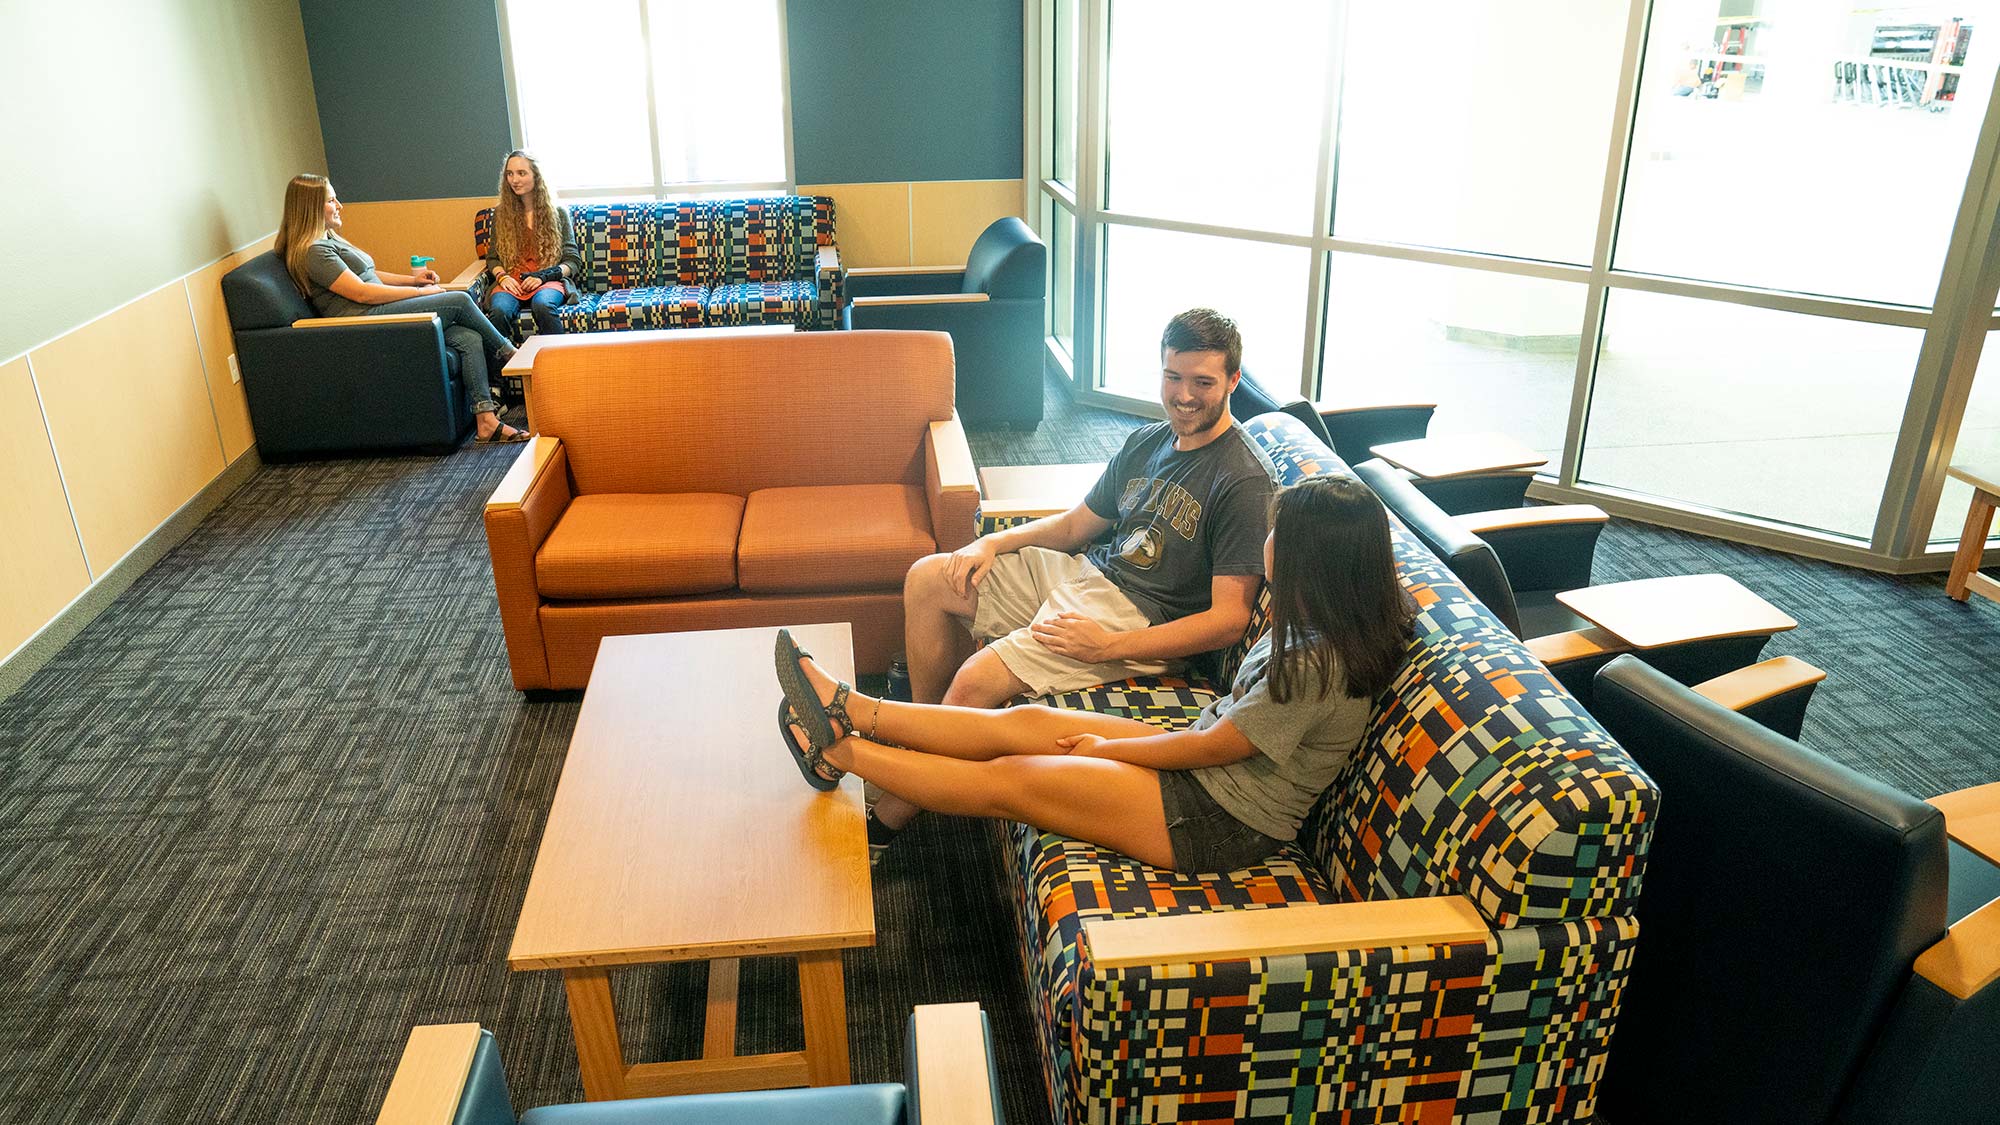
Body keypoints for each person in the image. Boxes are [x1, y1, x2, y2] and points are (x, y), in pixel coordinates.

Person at [774, 475, 1414, 873]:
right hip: (1208, 764)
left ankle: (840, 747)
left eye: (1276, 536)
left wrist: (1109, 748)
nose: (1264, 544)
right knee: (1025, 722)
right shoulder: (1329, 620)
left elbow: (1215, 747)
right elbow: (1216, 737)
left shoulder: (1312, 664)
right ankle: (848, 707)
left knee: (1012, 780)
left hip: (1218, 817)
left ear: (1311, 561)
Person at [874, 307, 1276, 853]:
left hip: (1134, 615)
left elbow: (1228, 620)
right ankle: (928, 753)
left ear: (1233, 380)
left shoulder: (1244, 480)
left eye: (1202, 382)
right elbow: (1072, 526)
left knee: (976, 679)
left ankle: (898, 805)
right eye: (1172, 377)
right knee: (930, 578)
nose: (1184, 395)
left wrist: (1112, 645)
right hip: (1088, 571)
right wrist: (991, 542)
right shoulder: (1148, 442)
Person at [275, 172, 527, 444]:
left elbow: (369, 274)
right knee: (459, 300)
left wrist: (412, 279)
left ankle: (486, 421)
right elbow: (362, 293)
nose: (339, 206)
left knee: (468, 337)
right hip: (365, 322)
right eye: (331, 200)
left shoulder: (329, 240)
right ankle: (509, 354)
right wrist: (419, 292)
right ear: (311, 208)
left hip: (377, 312)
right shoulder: (314, 252)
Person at [482, 150, 582, 342]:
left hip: (547, 280)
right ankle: (502, 369)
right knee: (499, 310)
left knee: (543, 305)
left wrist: (542, 277)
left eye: (521, 173)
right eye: (509, 174)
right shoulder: (501, 214)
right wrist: (502, 277)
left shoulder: (557, 213)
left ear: (536, 175)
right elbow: (493, 257)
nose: (514, 180)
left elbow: (572, 260)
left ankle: (558, 363)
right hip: (512, 280)